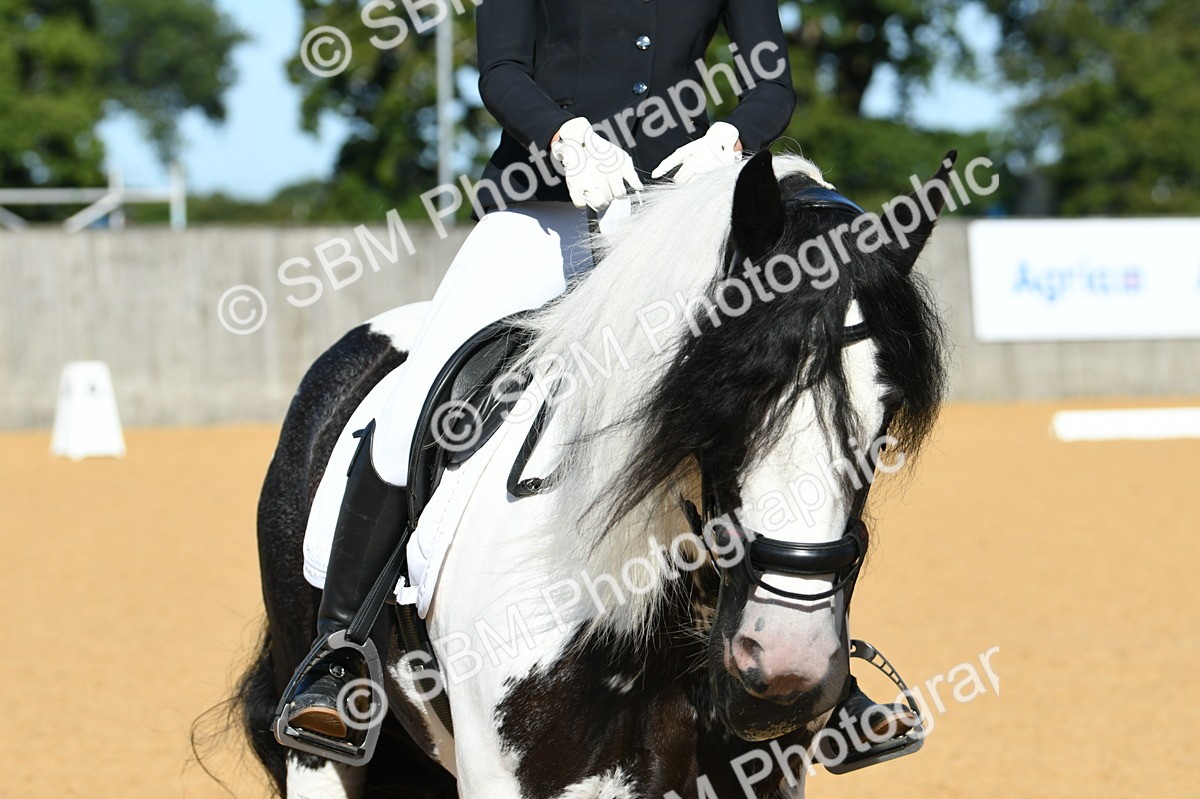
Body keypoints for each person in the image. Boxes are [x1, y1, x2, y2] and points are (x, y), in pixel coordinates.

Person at [279, 0, 914, 769]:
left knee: (783, 411)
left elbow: (771, 80)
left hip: (676, 219)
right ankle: (340, 648)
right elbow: (502, 72)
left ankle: (813, 675)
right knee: (412, 402)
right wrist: (565, 137)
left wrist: (731, 139)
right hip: (540, 211)